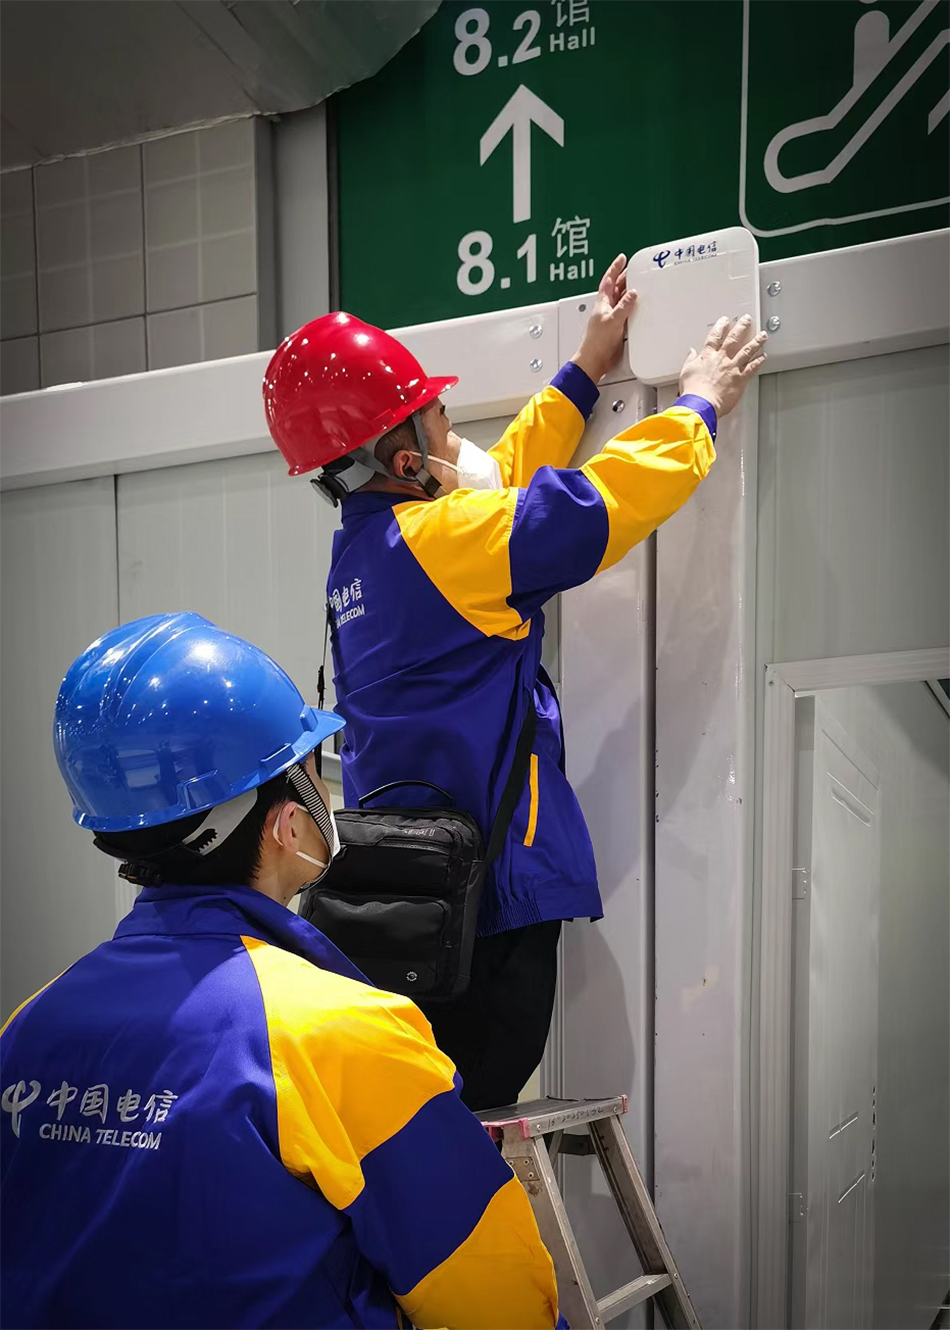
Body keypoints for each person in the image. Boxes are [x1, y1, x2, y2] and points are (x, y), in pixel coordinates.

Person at [263, 257, 768, 1111]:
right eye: (440, 418)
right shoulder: (446, 541)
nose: (453, 431)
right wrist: (699, 405)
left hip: (411, 900)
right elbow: (591, 508)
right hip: (487, 902)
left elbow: (497, 487)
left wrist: (585, 372)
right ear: (403, 454)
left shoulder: (366, 555)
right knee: (471, 1115)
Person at [0, 613, 564, 1330]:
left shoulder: (31, 1021)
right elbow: (496, 1298)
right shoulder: (341, 1034)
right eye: (309, 774)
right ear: (283, 824)